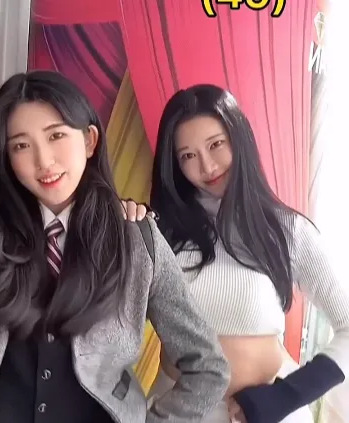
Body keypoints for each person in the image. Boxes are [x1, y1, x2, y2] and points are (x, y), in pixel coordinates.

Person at [0, 71, 230, 423]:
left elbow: (207, 366)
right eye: (21, 145)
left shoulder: (137, 239)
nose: (43, 161)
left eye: (56, 135)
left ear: (89, 140)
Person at [131, 84, 349, 423]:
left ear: (239, 138)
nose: (207, 166)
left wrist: (285, 397)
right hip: (176, 413)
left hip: (270, 414)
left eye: (216, 144)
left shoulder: (286, 230)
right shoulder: (157, 233)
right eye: (187, 155)